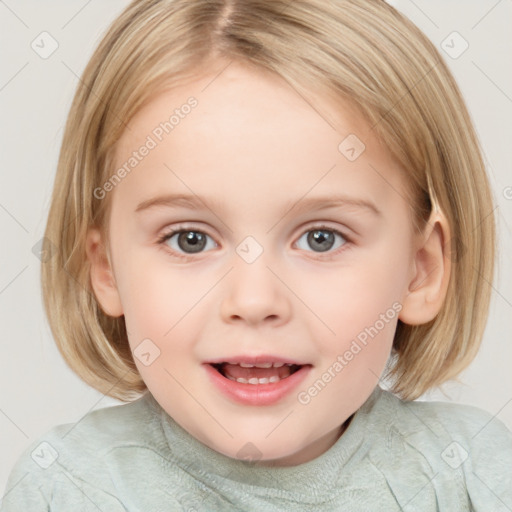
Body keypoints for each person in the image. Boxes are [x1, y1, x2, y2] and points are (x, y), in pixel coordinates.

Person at [2, 0, 511, 510]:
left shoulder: (474, 475)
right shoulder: (67, 489)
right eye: (190, 239)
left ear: (420, 271)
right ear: (106, 268)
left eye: (321, 238)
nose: (253, 300)